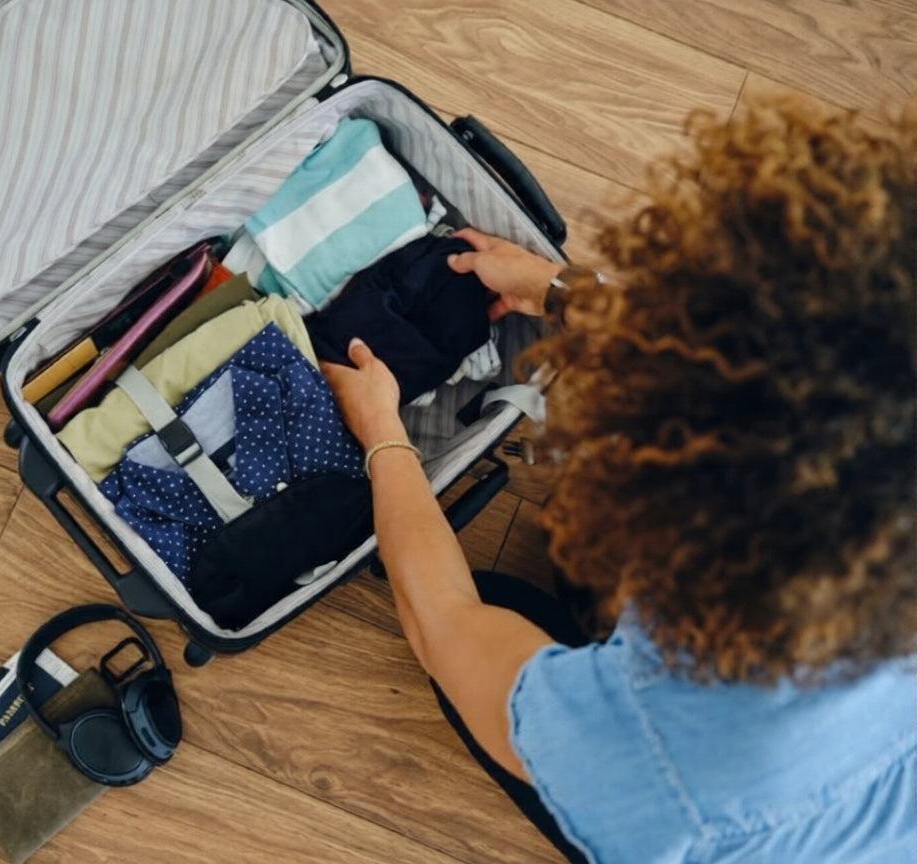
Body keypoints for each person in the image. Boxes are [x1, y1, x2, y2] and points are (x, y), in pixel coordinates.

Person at [319, 95, 916, 864]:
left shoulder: (669, 766)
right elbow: (778, 356)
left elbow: (440, 622)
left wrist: (382, 433)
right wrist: (563, 293)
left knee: (495, 604)